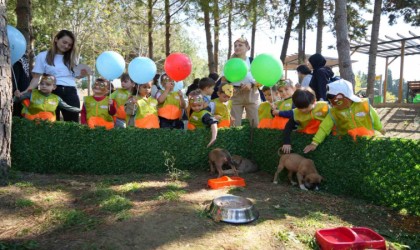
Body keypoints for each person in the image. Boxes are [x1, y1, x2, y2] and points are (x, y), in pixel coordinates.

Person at [22, 30, 88, 122]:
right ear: (56, 39)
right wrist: (26, 91)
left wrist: (82, 75)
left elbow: (74, 76)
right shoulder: (42, 56)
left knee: (73, 123)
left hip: (70, 92)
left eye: (69, 45)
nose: (66, 46)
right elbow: (36, 78)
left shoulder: (72, 57)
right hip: (51, 91)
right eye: (64, 42)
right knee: (50, 123)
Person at [303, 80, 386, 153]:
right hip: (348, 144)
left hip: (367, 140)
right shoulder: (334, 112)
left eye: (335, 101)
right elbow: (325, 127)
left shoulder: (363, 105)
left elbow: (374, 117)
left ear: (345, 97)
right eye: (330, 101)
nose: (333, 105)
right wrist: (314, 142)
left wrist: (380, 129)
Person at [221, 37, 261, 127]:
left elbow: (261, 80)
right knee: (234, 124)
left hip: (252, 94)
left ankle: (254, 141)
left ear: (247, 48)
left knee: (256, 123)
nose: (237, 47)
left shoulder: (253, 62)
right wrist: (229, 89)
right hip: (234, 95)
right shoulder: (229, 63)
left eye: (240, 45)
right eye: (235, 46)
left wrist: (251, 85)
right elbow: (223, 81)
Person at [280, 87, 329, 154]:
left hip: (325, 134)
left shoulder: (324, 106)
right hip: (306, 135)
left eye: (306, 107)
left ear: (314, 101)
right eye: (299, 108)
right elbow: (288, 127)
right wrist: (286, 142)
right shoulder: (296, 113)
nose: (303, 110)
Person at [14, 74, 80, 122]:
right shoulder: (32, 93)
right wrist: (17, 96)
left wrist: (80, 111)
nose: (44, 86)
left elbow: (67, 107)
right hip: (31, 125)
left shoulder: (56, 98)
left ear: (54, 87)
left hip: (48, 126)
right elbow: (17, 100)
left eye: (48, 84)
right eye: (42, 84)